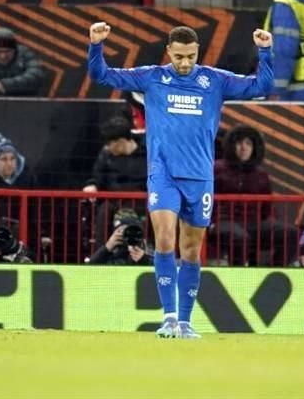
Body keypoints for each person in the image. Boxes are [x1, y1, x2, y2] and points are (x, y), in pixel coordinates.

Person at [87, 22, 273, 338]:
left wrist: (266, 51)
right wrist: (95, 46)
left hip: (200, 179)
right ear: (169, 53)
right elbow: (101, 75)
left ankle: (185, 323)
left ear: (197, 52)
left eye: (189, 56)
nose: (184, 63)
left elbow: (261, 87)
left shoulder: (215, 80)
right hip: (164, 175)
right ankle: (169, 318)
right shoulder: (153, 77)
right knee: (163, 237)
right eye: (178, 56)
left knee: (190, 250)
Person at [213, 125, 296, 266]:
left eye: (248, 143)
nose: (243, 148)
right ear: (231, 145)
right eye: (239, 143)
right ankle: (238, 278)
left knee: (290, 233)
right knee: (239, 237)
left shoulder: (261, 174)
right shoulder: (216, 169)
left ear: (254, 148)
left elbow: (266, 207)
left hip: (253, 222)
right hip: (223, 221)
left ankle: (274, 273)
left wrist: (263, 220)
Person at [83, 117, 148, 248]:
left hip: (141, 202)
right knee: (104, 211)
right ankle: (101, 254)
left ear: (121, 142)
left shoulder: (147, 153)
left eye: (109, 143)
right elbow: (96, 176)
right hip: (113, 201)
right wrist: (92, 184)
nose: (107, 147)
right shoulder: (106, 156)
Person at [0, 27, 45, 96]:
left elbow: (36, 75)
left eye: (8, 51)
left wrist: (6, 84)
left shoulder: (25, 54)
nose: (3, 56)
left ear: (15, 50)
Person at [87, 209, 153, 265]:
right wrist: (107, 247)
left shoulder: (144, 245)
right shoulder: (112, 250)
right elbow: (90, 267)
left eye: (129, 230)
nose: (127, 234)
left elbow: (160, 266)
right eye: (120, 230)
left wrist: (144, 259)